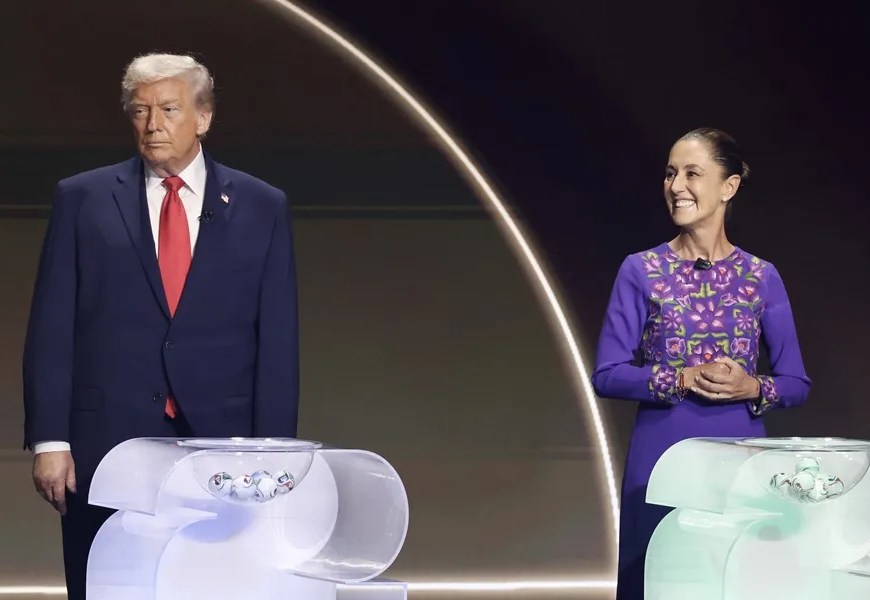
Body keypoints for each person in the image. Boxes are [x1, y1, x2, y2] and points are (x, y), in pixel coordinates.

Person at [22, 53, 300, 600]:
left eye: (169, 109)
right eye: (140, 111)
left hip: (225, 444)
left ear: (203, 117)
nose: (153, 125)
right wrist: (50, 440)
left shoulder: (261, 206)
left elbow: (278, 341)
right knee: (106, 583)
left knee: (216, 586)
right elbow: (52, 324)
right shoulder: (83, 199)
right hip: (105, 439)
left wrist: (276, 454)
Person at [592, 127, 811, 599]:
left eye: (692, 173)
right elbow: (607, 373)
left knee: (732, 583)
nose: (676, 186)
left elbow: (796, 382)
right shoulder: (641, 270)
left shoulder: (760, 277)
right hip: (660, 467)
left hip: (740, 469)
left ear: (728, 187)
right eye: (670, 173)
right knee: (656, 581)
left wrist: (753, 388)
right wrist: (682, 377)